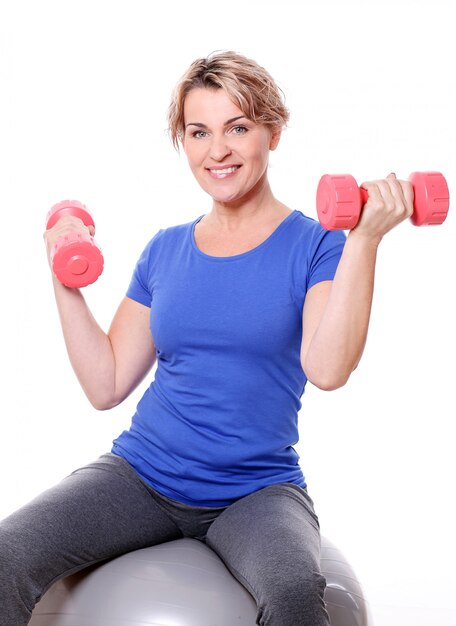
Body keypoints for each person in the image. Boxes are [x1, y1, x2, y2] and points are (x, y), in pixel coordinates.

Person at [0, 51, 413, 626]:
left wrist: (365, 240)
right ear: (184, 141)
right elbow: (106, 382)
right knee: (4, 554)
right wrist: (62, 278)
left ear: (272, 131)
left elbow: (328, 369)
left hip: (256, 491)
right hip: (141, 474)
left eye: (237, 128)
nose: (216, 150)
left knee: (295, 593)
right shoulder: (165, 248)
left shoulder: (319, 245)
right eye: (199, 132)